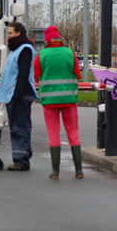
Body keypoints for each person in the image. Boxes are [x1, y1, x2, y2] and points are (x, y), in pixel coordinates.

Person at [35, 26, 83, 179]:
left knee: (53, 134)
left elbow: (36, 76)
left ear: (47, 40)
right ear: (58, 38)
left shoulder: (41, 55)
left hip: (49, 101)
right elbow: (78, 74)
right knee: (73, 133)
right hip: (69, 100)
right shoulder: (70, 53)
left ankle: (55, 172)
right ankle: (79, 171)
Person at [0, 21, 38, 170]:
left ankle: (21, 160)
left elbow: (23, 74)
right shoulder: (15, 50)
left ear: (18, 33)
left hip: (19, 94)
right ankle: (22, 156)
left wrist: (17, 94)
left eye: (10, 33)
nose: (8, 36)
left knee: (20, 128)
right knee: (16, 128)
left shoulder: (25, 50)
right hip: (12, 95)